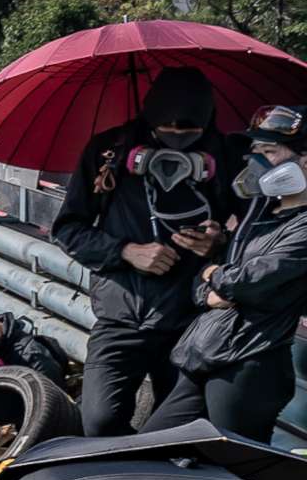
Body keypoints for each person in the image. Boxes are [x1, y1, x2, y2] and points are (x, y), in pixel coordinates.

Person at [52, 67, 234, 435]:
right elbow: (67, 229)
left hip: (192, 320)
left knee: (177, 436)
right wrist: (125, 251)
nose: (178, 142)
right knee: (99, 422)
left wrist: (220, 242)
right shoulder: (108, 153)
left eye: (190, 134)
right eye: (167, 132)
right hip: (122, 316)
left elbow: (259, 230)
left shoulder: (231, 158)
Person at [146, 106, 307, 441]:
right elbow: (207, 278)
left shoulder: (303, 226)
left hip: (250, 362)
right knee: (149, 447)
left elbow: (252, 280)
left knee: (234, 468)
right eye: (255, 151)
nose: (256, 161)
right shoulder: (259, 212)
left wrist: (217, 278)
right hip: (208, 351)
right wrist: (211, 285)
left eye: (269, 151)